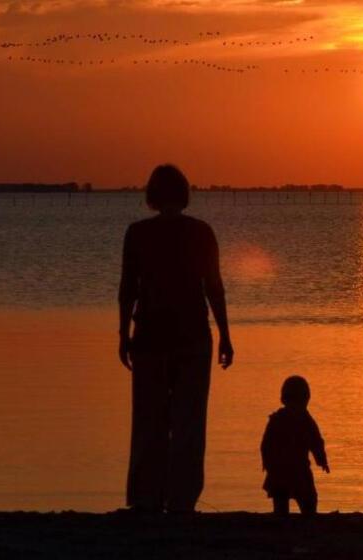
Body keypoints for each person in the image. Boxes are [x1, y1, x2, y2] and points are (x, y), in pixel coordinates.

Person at [118, 163, 234, 514]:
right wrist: (226, 334)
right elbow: (213, 287)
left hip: (151, 337)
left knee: (149, 422)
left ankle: (146, 498)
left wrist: (123, 334)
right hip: (192, 337)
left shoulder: (137, 233)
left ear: (152, 196)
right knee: (189, 422)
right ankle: (181, 499)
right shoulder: (201, 232)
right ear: (184, 194)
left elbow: (128, 290)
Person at [260, 375, 329, 516]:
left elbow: (265, 445)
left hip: (281, 470)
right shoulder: (304, 419)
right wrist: (321, 459)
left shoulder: (277, 419)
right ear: (306, 398)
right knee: (308, 501)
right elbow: (316, 441)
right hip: (296, 470)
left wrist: (267, 463)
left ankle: (283, 521)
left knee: (285, 503)